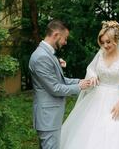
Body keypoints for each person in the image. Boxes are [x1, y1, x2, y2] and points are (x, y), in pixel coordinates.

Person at [61, 21, 119, 149]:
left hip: (118, 100)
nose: (105, 45)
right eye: (102, 42)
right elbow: (91, 68)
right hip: (97, 98)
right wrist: (93, 75)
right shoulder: (100, 54)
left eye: (108, 42)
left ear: (116, 40)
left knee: (116, 132)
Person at [29, 19, 92, 149]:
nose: (65, 42)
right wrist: (79, 87)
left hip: (50, 118)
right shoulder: (42, 57)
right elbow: (55, 88)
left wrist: (79, 81)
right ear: (56, 35)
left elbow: (59, 80)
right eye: (65, 38)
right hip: (48, 119)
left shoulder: (48, 54)